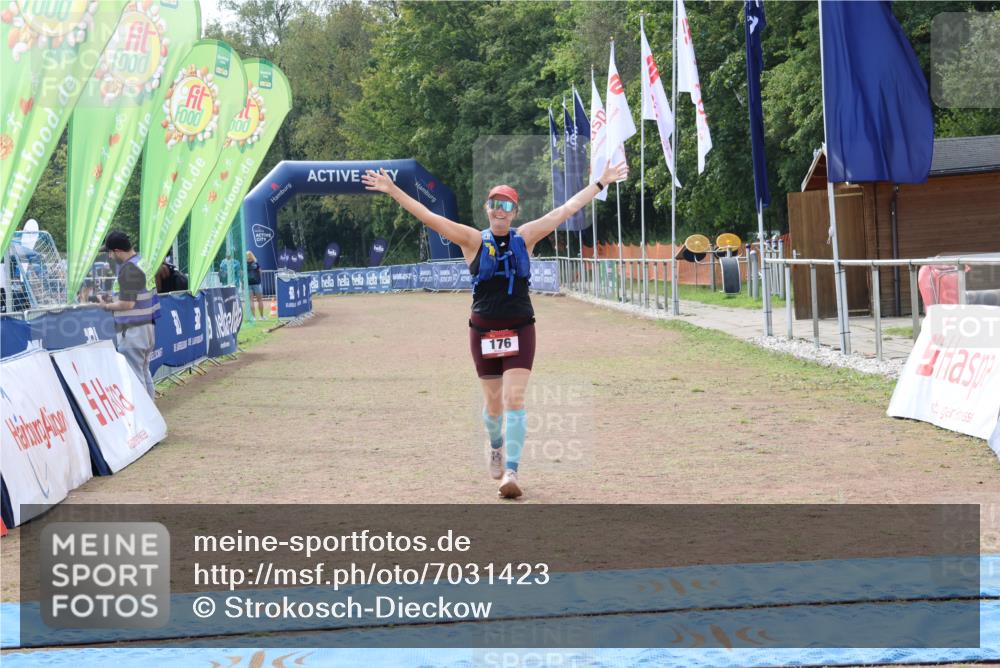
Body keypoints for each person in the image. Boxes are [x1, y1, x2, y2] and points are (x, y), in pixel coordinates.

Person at [362, 160, 628, 498]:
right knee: (493, 408)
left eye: (506, 205)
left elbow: (565, 210)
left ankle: (511, 473)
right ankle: (496, 445)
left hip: (520, 328)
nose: (500, 210)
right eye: (494, 204)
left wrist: (601, 183)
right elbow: (428, 217)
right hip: (483, 333)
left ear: (515, 211)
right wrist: (393, 190)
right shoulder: (472, 240)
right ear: (487, 209)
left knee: (514, 399)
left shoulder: (526, 236)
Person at [100, 231, 160, 399]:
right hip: (146, 326)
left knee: (135, 376)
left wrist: (106, 306)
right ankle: (151, 411)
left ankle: (144, 413)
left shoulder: (129, 269)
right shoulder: (142, 262)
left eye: (110, 252)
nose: (110, 257)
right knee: (144, 372)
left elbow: (127, 304)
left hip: (133, 329)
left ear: (118, 251)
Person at [246, 251, 265, 318]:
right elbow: (260, 272)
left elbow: (242, 274)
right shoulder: (256, 263)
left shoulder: (245, 264)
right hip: (257, 283)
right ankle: (261, 317)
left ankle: (253, 317)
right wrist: (259, 279)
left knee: (251, 300)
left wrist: (243, 283)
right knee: (260, 300)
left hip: (248, 283)